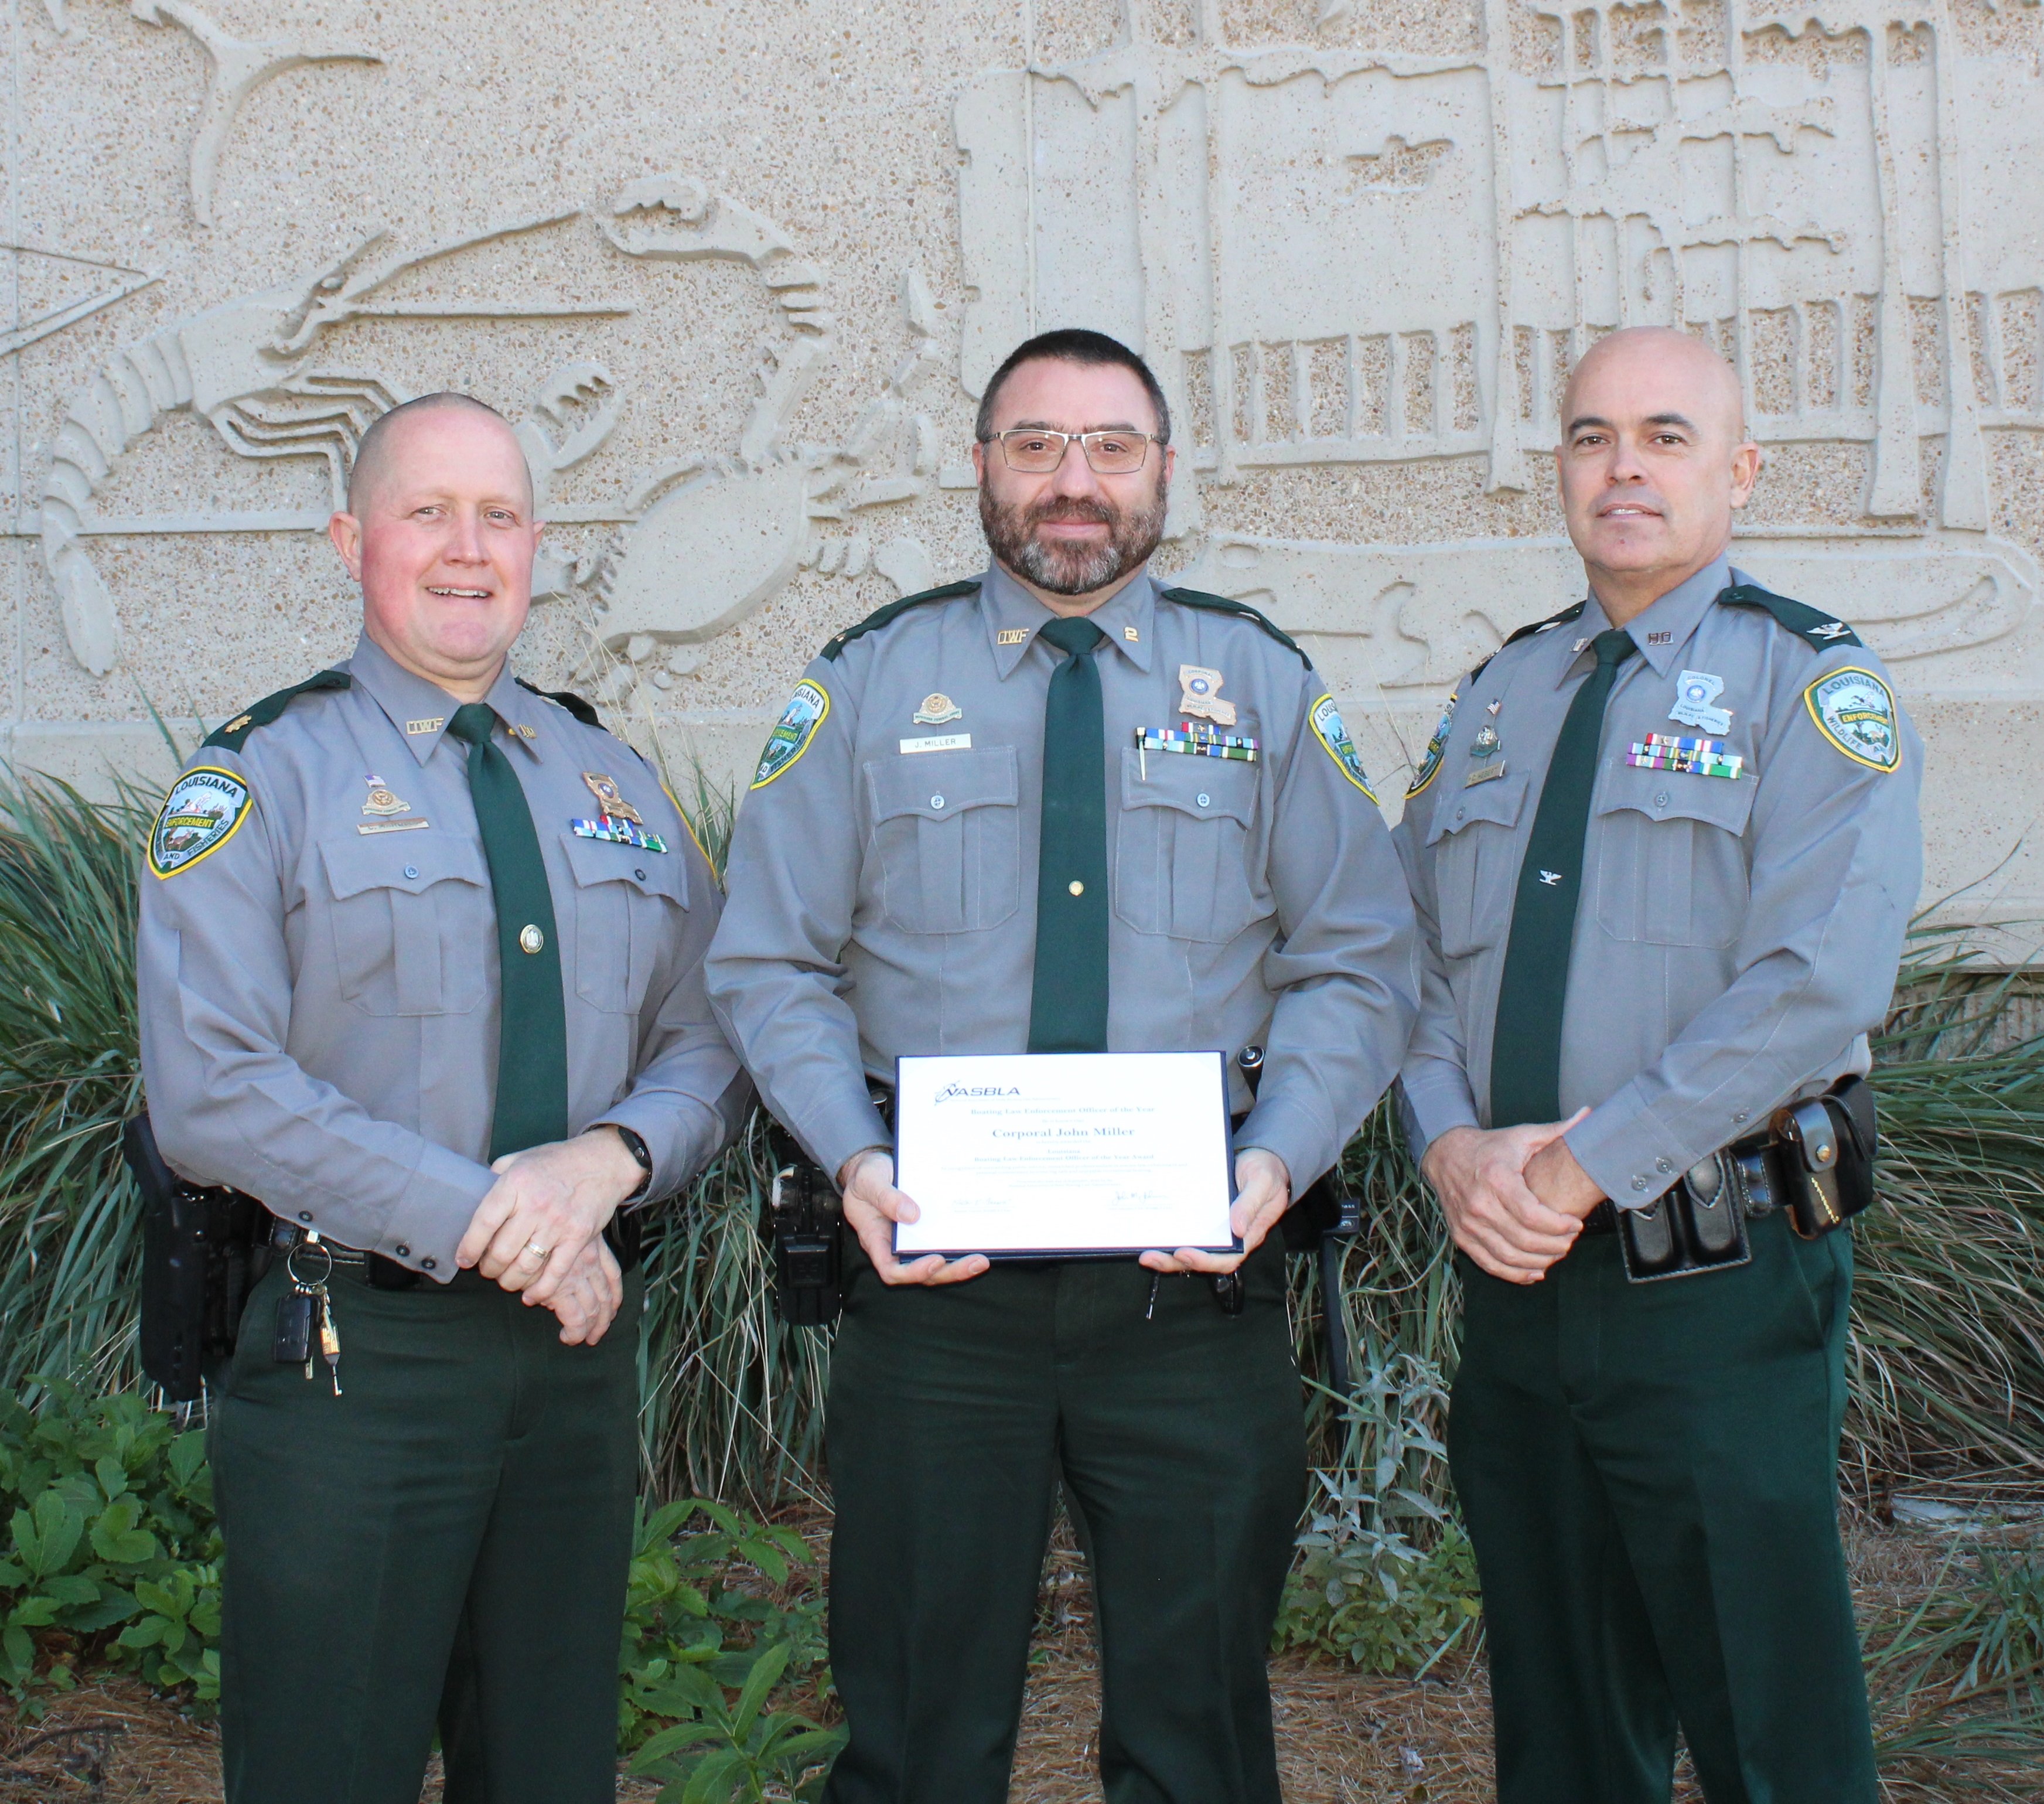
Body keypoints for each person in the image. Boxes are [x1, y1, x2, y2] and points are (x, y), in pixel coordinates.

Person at [705, 326, 1417, 1804]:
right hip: (936, 1296)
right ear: (980, 470)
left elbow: (1357, 958)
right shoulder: (865, 684)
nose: (1071, 482)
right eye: (1034, 446)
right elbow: (768, 962)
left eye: (1108, 447)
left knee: (1199, 1735)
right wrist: (852, 1156)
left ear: (1163, 472)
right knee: (913, 1728)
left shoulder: (1261, 683)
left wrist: (1275, 1156)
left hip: (1190, 1291)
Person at [137, 391, 748, 1804]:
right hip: (357, 1361)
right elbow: (213, 1091)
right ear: (354, 538)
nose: (467, 548)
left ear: (538, 544)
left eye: (500, 515)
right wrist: (494, 1215)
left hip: (574, 1364)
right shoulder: (259, 778)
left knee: (547, 1766)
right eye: (428, 512)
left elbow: (718, 1020)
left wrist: (609, 1162)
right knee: (326, 1765)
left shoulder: (611, 777)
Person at [1395, 326, 1919, 1803]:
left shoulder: (1808, 685)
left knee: (1769, 1721)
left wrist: (1569, 1165)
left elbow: (1815, 987)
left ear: (1737, 472)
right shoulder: (1500, 695)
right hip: (1512, 1276)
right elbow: (1403, 954)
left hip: (1718, 1284)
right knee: (1556, 1717)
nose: (1621, 466)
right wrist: (1449, 1149)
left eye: (1665, 436)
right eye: (1588, 436)